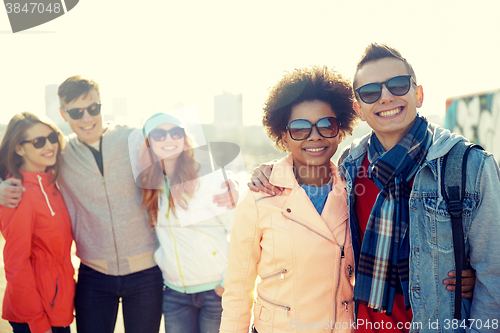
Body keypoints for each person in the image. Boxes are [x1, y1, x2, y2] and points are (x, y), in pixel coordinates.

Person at [249, 44, 499, 332]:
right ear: (359, 109)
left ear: (417, 94)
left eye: (397, 85)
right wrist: (270, 170)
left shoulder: (469, 165)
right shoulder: (350, 166)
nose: (386, 97)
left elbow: (493, 278)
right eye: (370, 92)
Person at [0, 76, 237, 333]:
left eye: (93, 108)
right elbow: (19, 163)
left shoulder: (133, 138)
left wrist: (231, 180)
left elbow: (183, 151)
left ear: (101, 105)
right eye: (77, 112)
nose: (87, 118)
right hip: (94, 274)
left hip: (146, 274)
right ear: (63, 114)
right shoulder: (61, 153)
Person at [220, 66, 359, 333]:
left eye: (326, 125)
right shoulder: (260, 196)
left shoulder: (354, 191)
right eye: (299, 128)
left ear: (340, 131)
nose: (314, 135)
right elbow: (239, 287)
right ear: (283, 136)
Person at [136, 113, 235, 333]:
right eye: (159, 135)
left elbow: (239, 233)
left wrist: (226, 283)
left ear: (184, 138)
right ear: (148, 143)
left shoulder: (208, 179)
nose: (169, 139)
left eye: (175, 133)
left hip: (215, 293)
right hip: (174, 294)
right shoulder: (150, 186)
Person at [0, 112, 74, 333]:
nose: (49, 145)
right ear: (19, 148)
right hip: (36, 315)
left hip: (57, 305)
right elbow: (16, 263)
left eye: (52, 137)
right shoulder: (17, 193)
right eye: (38, 142)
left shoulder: (51, 183)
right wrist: (37, 323)